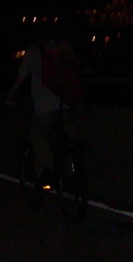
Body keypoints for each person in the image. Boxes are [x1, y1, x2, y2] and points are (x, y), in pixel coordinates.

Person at [5, 28, 83, 186]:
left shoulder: (34, 51)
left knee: (39, 136)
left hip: (45, 106)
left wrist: (9, 97)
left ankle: (47, 172)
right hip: (68, 102)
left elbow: (21, 77)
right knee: (68, 134)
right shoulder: (65, 47)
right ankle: (72, 167)